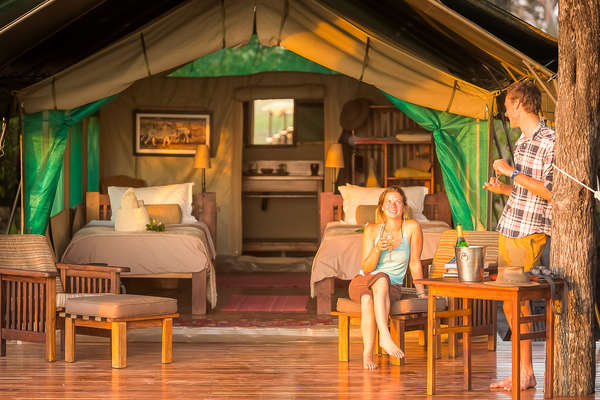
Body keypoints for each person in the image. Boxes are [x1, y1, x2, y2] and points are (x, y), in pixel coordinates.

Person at [483, 80, 554, 391]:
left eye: (508, 106)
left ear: (521, 105)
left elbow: (551, 192)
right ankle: (522, 372)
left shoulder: (551, 140)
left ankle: (524, 373)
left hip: (530, 231)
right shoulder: (523, 142)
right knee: (510, 303)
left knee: (518, 300)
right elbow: (528, 192)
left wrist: (512, 172)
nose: (506, 113)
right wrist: (505, 188)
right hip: (510, 226)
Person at [348, 186, 426, 370]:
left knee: (368, 299)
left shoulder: (412, 227)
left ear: (404, 206)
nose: (393, 205)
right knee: (379, 278)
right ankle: (383, 336)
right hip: (363, 281)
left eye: (398, 201)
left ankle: (368, 353)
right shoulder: (372, 230)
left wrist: (421, 293)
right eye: (388, 202)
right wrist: (377, 249)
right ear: (381, 207)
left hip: (391, 287)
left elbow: (415, 262)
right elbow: (367, 268)